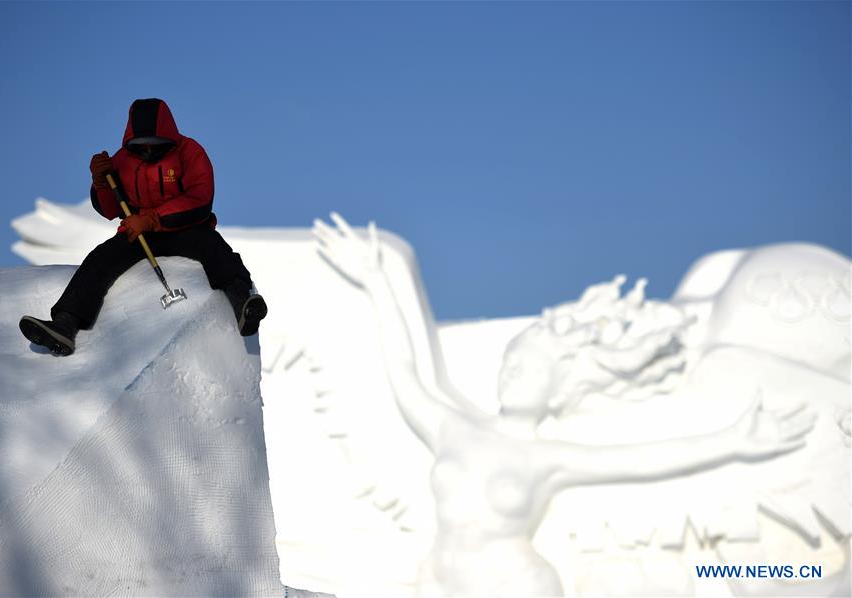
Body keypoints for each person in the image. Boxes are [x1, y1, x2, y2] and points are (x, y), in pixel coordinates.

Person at [313, 212, 817, 597]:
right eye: (511, 364)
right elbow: (404, 374)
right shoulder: (453, 429)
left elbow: (643, 460)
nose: (513, 376)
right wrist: (376, 280)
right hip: (437, 578)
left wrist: (733, 441)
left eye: (528, 371)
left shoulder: (547, 458)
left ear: (558, 389)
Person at [19, 98, 267, 356]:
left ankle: (242, 302)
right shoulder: (122, 160)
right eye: (141, 145)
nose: (148, 150)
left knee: (215, 248)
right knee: (100, 259)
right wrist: (102, 183)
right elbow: (110, 210)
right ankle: (65, 325)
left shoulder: (190, 152)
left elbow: (200, 199)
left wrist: (152, 218)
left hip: (187, 228)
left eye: (156, 144)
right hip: (138, 232)